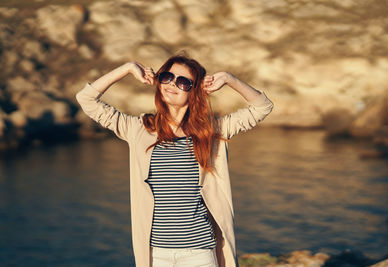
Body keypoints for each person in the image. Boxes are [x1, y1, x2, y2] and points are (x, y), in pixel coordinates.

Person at [75, 53, 274, 267]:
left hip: (198, 253)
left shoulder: (211, 132)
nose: (172, 84)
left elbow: (263, 107)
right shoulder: (138, 129)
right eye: (167, 77)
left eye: (183, 82)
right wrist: (127, 68)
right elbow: (86, 99)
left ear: (195, 91)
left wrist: (229, 79)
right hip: (156, 253)